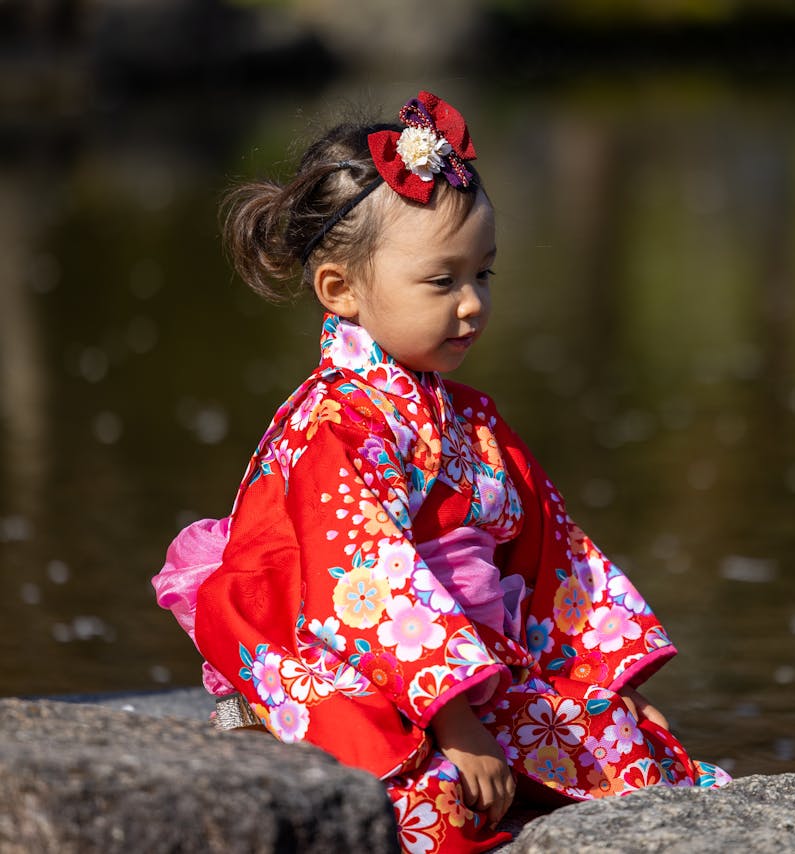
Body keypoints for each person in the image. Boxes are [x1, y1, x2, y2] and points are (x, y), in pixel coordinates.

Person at [152, 89, 730, 854]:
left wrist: (611, 685)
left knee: (634, 762)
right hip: (357, 662)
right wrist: (452, 716)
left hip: (468, 664)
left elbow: (551, 557)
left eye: (483, 276)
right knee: (431, 808)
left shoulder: (469, 419)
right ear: (340, 290)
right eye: (442, 282)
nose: (472, 306)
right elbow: (362, 585)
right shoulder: (332, 429)